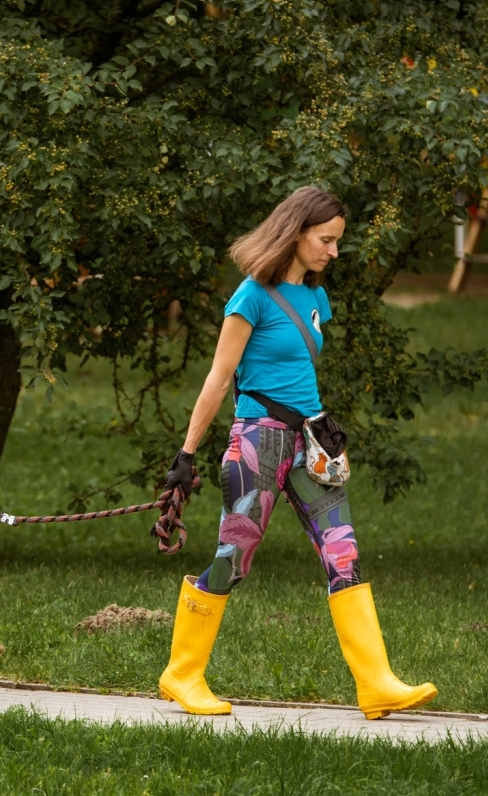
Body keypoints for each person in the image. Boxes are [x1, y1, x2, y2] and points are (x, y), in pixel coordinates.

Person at [156, 186, 437, 720]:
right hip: (257, 442)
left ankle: (376, 683)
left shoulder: (314, 298)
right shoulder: (250, 297)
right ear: (296, 231)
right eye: (326, 240)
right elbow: (218, 379)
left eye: (337, 242)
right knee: (233, 558)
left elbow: (297, 369)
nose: (333, 251)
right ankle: (183, 673)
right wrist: (186, 454)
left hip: (309, 443)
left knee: (343, 550)